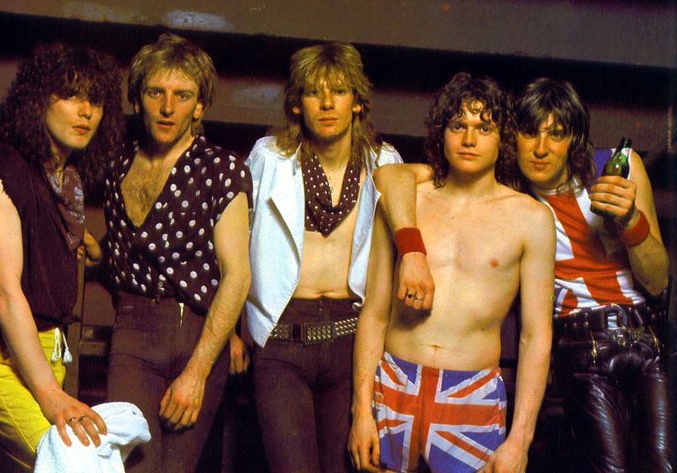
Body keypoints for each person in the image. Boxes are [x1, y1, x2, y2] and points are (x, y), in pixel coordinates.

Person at [349, 72, 555, 473]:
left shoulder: (530, 218)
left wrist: (520, 439)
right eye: (458, 125)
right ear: (441, 133)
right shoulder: (405, 203)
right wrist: (361, 412)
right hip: (393, 384)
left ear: (502, 138)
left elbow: (535, 336)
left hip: (470, 393)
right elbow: (374, 313)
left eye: (484, 127)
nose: (469, 139)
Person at [0, 43, 124, 471]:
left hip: (47, 352)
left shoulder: (66, 182)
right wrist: (50, 394)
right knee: (71, 463)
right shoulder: (1, 165)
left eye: (96, 101)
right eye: (71, 95)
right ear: (38, 101)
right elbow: (4, 291)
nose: (86, 111)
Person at [245, 42, 402, 473]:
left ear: (358, 102)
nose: (328, 104)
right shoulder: (269, 158)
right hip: (281, 334)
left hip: (353, 338)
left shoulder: (385, 162)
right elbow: (238, 242)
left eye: (340, 91)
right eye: (314, 92)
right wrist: (239, 333)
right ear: (297, 104)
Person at [101, 33, 252, 473]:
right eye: (156, 93)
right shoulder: (116, 166)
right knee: (131, 467)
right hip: (132, 327)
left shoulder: (222, 169)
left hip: (196, 333)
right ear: (137, 99)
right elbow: (129, 254)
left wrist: (198, 372)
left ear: (199, 106)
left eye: (182, 96)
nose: (168, 107)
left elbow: (237, 276)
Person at [513, 78, 672, 473]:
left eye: (556, 134)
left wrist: (631, 221)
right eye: (530, 132)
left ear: (575, 139)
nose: (540, 148)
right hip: (580, 343)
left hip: (646, 335)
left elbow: (658, 281)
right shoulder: (510, 199)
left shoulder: (616, 168)